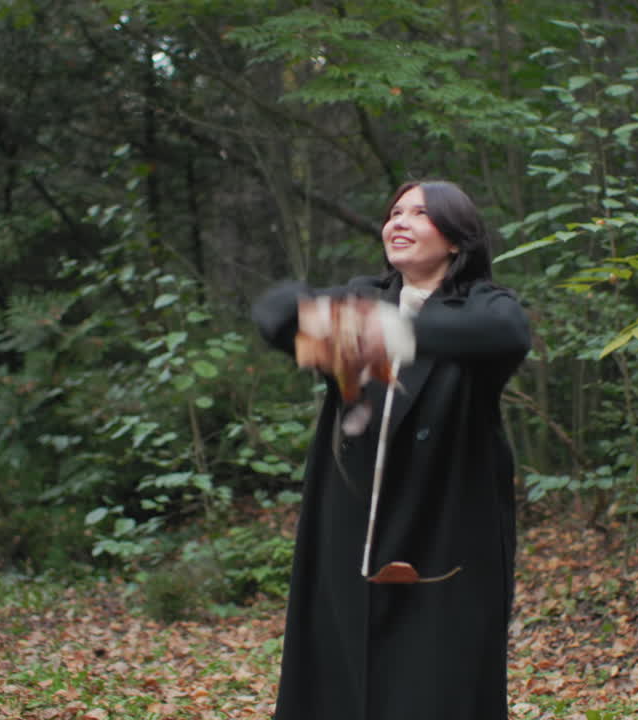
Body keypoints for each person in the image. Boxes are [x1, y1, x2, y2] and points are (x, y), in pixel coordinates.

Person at [252, 179, 531, 720]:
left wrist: (395, 334)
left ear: (455, 239)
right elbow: (277, 314)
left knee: (433, 682)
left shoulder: (483, 304)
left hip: (444, 523)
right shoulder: (362, 297)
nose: (399, 221)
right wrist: (327, 322)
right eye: (394, 212)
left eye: (420, 213)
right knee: (339, 675)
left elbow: (507, 334)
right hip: (349, 522)